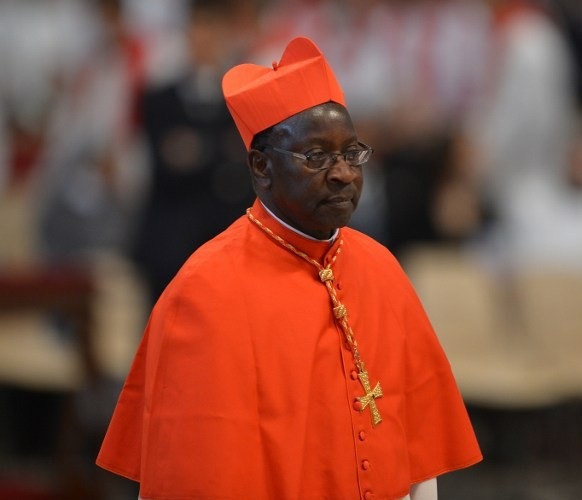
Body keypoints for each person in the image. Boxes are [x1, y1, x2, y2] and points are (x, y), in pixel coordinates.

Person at [96, 37, 482, 500]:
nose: (342, 173)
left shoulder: (381, 268)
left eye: (350, 153)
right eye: (316, 157)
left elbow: (420, 459)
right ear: (261, 168)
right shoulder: (206, 291)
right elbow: (198, 477)